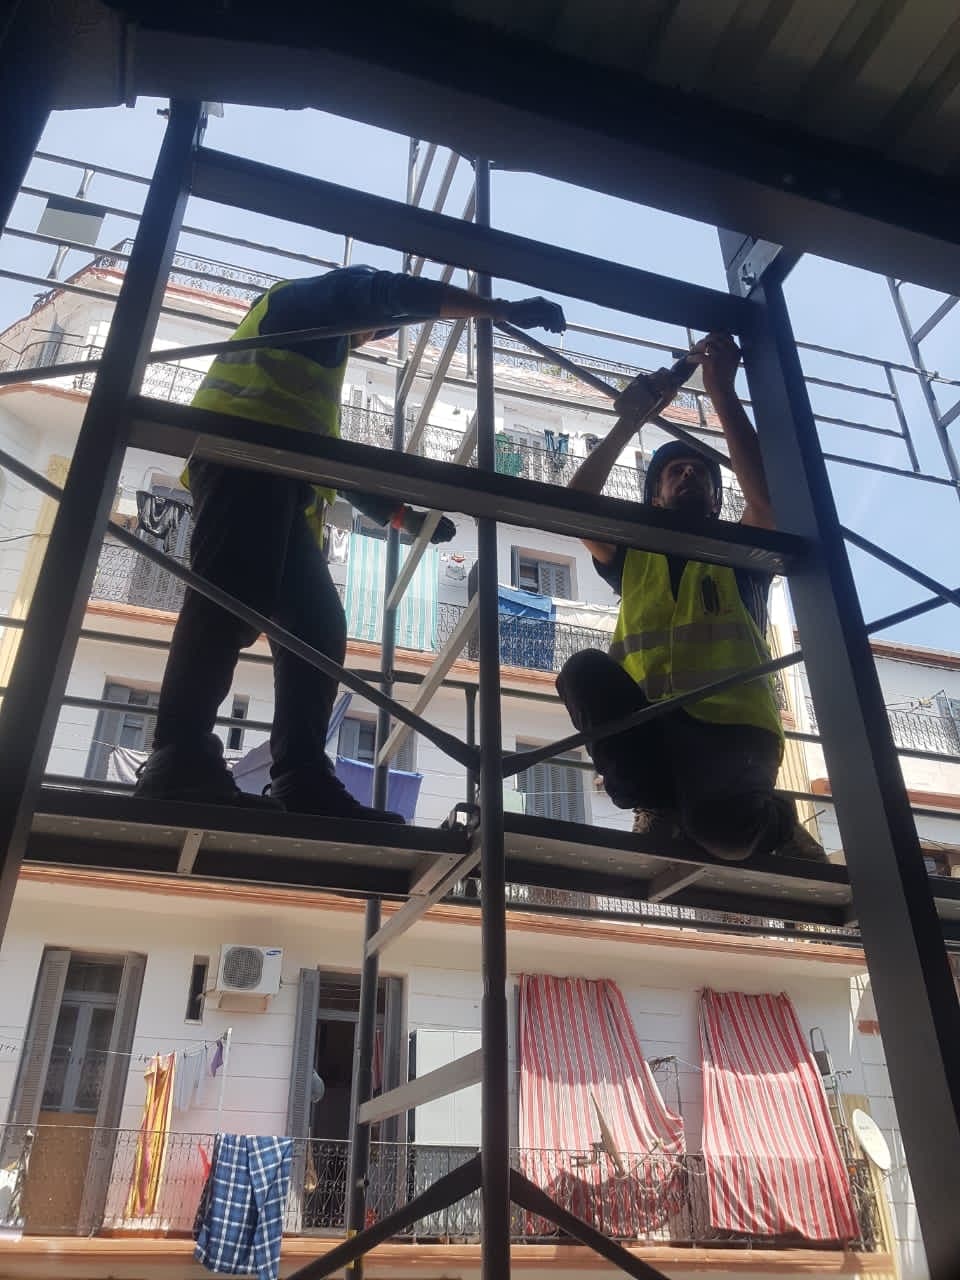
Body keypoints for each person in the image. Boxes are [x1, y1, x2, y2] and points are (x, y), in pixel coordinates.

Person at [134, 265, 565, 821]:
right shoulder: (300, 303)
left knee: (316, 628)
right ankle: (179, 755)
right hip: (243, 461)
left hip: (282, 488)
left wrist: (403, 517)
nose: (373, 336)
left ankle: (301, 776)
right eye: (377, 329)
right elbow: (383, 291)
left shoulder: (317, 361)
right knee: (226, 603)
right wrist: (496, 309)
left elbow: (334, 465)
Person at [556, 332, 825, 863]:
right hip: (655, 729)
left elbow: (768, 505)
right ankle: (655, 805)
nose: (687, 473)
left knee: (723, 834)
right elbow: (573, 506)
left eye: (699, 472)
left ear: (714, 500)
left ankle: (776, 822)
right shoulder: (634, 557)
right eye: (673, 472)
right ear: (654, 496)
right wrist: (629, 419)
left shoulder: (738, 555)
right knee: (583, 671)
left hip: (734, 733)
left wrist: (720, 390)